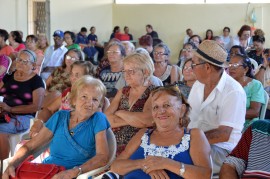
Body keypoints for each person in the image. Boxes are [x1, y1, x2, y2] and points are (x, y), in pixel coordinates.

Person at [3, 76, 111, 179]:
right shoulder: (60, 116)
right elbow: (30, 146)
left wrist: (74, 172)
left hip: (75, 174)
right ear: (73, 100)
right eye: (84, 97)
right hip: (47, 170)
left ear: (99, 104)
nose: (89, 103)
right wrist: (12, 165)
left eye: (95, 100)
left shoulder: (98, 119)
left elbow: (102, 157)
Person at [109, 85, 212, 179]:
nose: (161, 111)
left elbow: (205, 175)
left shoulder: (193, 135)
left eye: (167, 105)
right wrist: (145, 164)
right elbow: (115, 166)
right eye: (155, 107)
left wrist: (165, 163)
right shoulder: (143, 134)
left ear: (182, 110)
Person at [188, 40, 246, 174]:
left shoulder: (233, 91)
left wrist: (188, 140)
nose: (191, 68)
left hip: (222, 149)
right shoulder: (198, 84)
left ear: (207, 67)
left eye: (194, 64)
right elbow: (188, 117)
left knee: (180, 160)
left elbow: (223, 135)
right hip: (194, 142)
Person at [0, 49, 45, 173]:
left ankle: (3, 168)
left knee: (0, 129)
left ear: (33, 65)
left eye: (25, 62)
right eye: (19, 60)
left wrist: (10, 109)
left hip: (22, 117)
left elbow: (37, 106)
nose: (21, 63)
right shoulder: (9, 76)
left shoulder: (36, 81)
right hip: (2, 111)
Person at [105, 53, 157, 155]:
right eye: (124, 71)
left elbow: (146, 121)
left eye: (131, 71)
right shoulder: (123, 91)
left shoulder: (154, 92)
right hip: (114, 145)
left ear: (145, 72)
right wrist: (134, 120)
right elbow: (106, 120)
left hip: (139, 147)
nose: (126, 75)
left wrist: (119, 112)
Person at [29, 61, 96, 138]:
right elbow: (49, 109)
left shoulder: (93, 98)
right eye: (71, 74)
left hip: (78, 136)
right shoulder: (68, 93)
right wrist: (40, 121)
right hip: (61, 133)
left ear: (88, 77)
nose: (72, 78)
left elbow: (93, 123)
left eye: (77, 75)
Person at [229, 54, 265, 131]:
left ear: (245, 69)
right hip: (227, 123)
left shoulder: (255, 85)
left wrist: (230, 114)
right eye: (230, 64)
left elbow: (255, 112)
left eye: (235, 65)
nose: (231, 67)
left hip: (247, 126)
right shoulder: (226, 83)